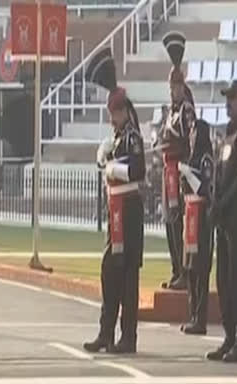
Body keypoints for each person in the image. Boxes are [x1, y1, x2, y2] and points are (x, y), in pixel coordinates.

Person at [81, 48, 145, 355]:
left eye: (114, 113)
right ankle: (107, 332)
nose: (112, 118)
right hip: (116, 211)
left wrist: (112, 167)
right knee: (111, 272)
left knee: (126, 273)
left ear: (122, 112)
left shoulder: (131, 136)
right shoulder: (119, 136)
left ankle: (126, 335)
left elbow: (137, 169)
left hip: (128, 212)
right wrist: (104, 159)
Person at [205, 80, 237, 363]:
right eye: (227, 98)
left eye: (233, 99)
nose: (228, 103)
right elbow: (221, 171)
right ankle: (228, 335)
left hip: (236, 215)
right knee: (223, 277)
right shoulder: (228, 133)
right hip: (224, 215)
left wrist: (223, 203)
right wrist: (215, 199)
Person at [160, 32, 196, 291]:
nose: (173, 91)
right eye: (171, 87)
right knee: (169, 222)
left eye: (176, 86)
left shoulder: (186, 110)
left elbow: (191, 140)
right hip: (167, 169)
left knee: (179, 222)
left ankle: (184, 271)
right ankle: (175, 269)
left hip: (180, 171)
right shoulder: (170, 111)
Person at [177, 119, 215, 335]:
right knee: (190, 268)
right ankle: (192, 314)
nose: (190, 136)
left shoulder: (205, 159)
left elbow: (204, 188)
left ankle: (200, 318)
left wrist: (189, 174)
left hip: (202, 215)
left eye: (193, 131)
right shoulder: (190, 157)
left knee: (200, 268)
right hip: (189, 212)